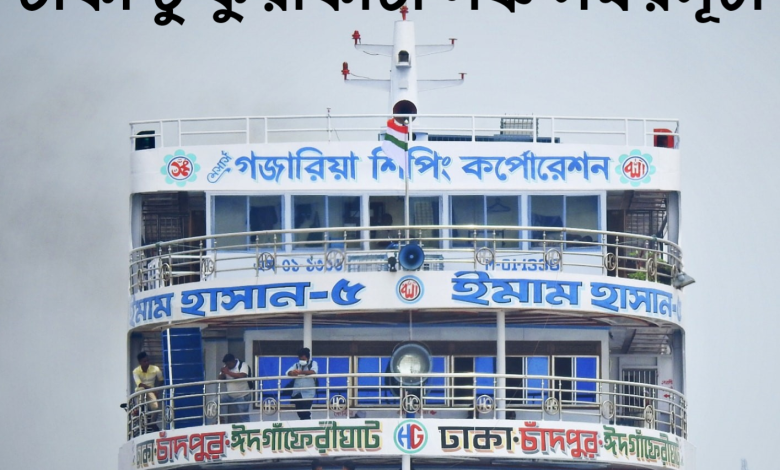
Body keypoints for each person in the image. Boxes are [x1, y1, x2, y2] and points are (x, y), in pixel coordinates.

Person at [132, 351, 163, 432]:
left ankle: (152, 422)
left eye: (148, 360)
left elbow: (161, 380)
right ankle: (139, 409)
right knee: (142, 390)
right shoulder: (136, 371)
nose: (147, 363)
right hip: (141, 392)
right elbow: (139, 384)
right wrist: (152, 389)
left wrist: (157, 389)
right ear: (140, 362)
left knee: (155, 407)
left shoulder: (155, 369)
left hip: (151, 392)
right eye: (144, 361)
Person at [286, 347, 318, 420]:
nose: (302, 361)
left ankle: (306, 423)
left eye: (303, 359)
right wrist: (293, 373)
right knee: (299, 411)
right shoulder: (297, 365)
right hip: (297, 392)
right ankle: (303, 422)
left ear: (307, 358)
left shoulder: (313, 363)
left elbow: (313, 371)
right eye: (300, 359)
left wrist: (301, 372)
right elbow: (288, 372)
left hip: (308, 393)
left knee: (306, 411)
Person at [219, 353, 251, 423]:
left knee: (243, 416)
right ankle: (220, 419)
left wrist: (228, 372)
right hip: (230, 395)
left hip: (242, 396)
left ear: (233, 361)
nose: (227, 366)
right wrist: (223, 373)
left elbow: (242, 375)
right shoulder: (226, 367)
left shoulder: (243, 365)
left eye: (229, 364)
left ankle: (246, 428)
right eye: (226, 364)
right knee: (215, 402)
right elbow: (220, 379)